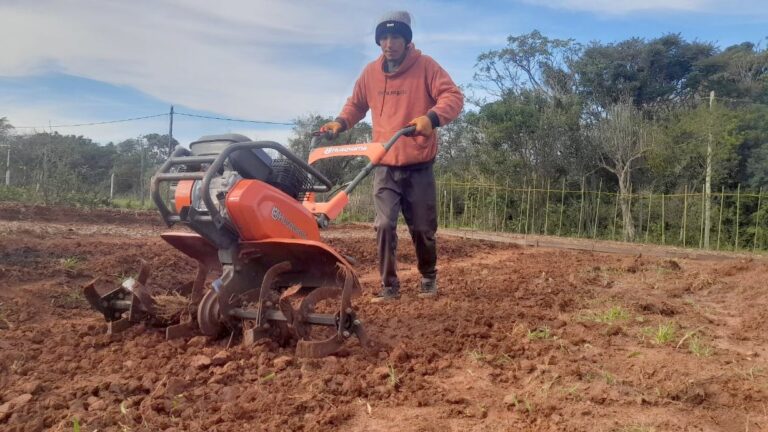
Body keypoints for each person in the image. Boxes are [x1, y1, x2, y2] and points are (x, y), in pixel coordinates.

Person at [321, 10, 464, 302]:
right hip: (384, 164)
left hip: (419, 164)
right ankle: (389, 286)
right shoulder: (370, 74)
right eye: (384, 37)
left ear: (406, 39)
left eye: (395, 36)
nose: (389, 43)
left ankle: (428, 276)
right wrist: (340, 122)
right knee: (384, 225)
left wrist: (431, 118)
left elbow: (453, 97)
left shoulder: (425, 66)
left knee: (423, 229)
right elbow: (356, 104)